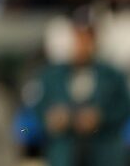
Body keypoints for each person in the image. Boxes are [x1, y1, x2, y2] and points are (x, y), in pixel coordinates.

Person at [28, 12, 130, 166]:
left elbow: (124, 107)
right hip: (64, 154)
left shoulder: (113, 75)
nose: (82, 44)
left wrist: (101, 117)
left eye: (86, 39)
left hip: (104, 154)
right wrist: (51, 117)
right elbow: (37, 107)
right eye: (78, 38)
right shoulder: (50, 76)